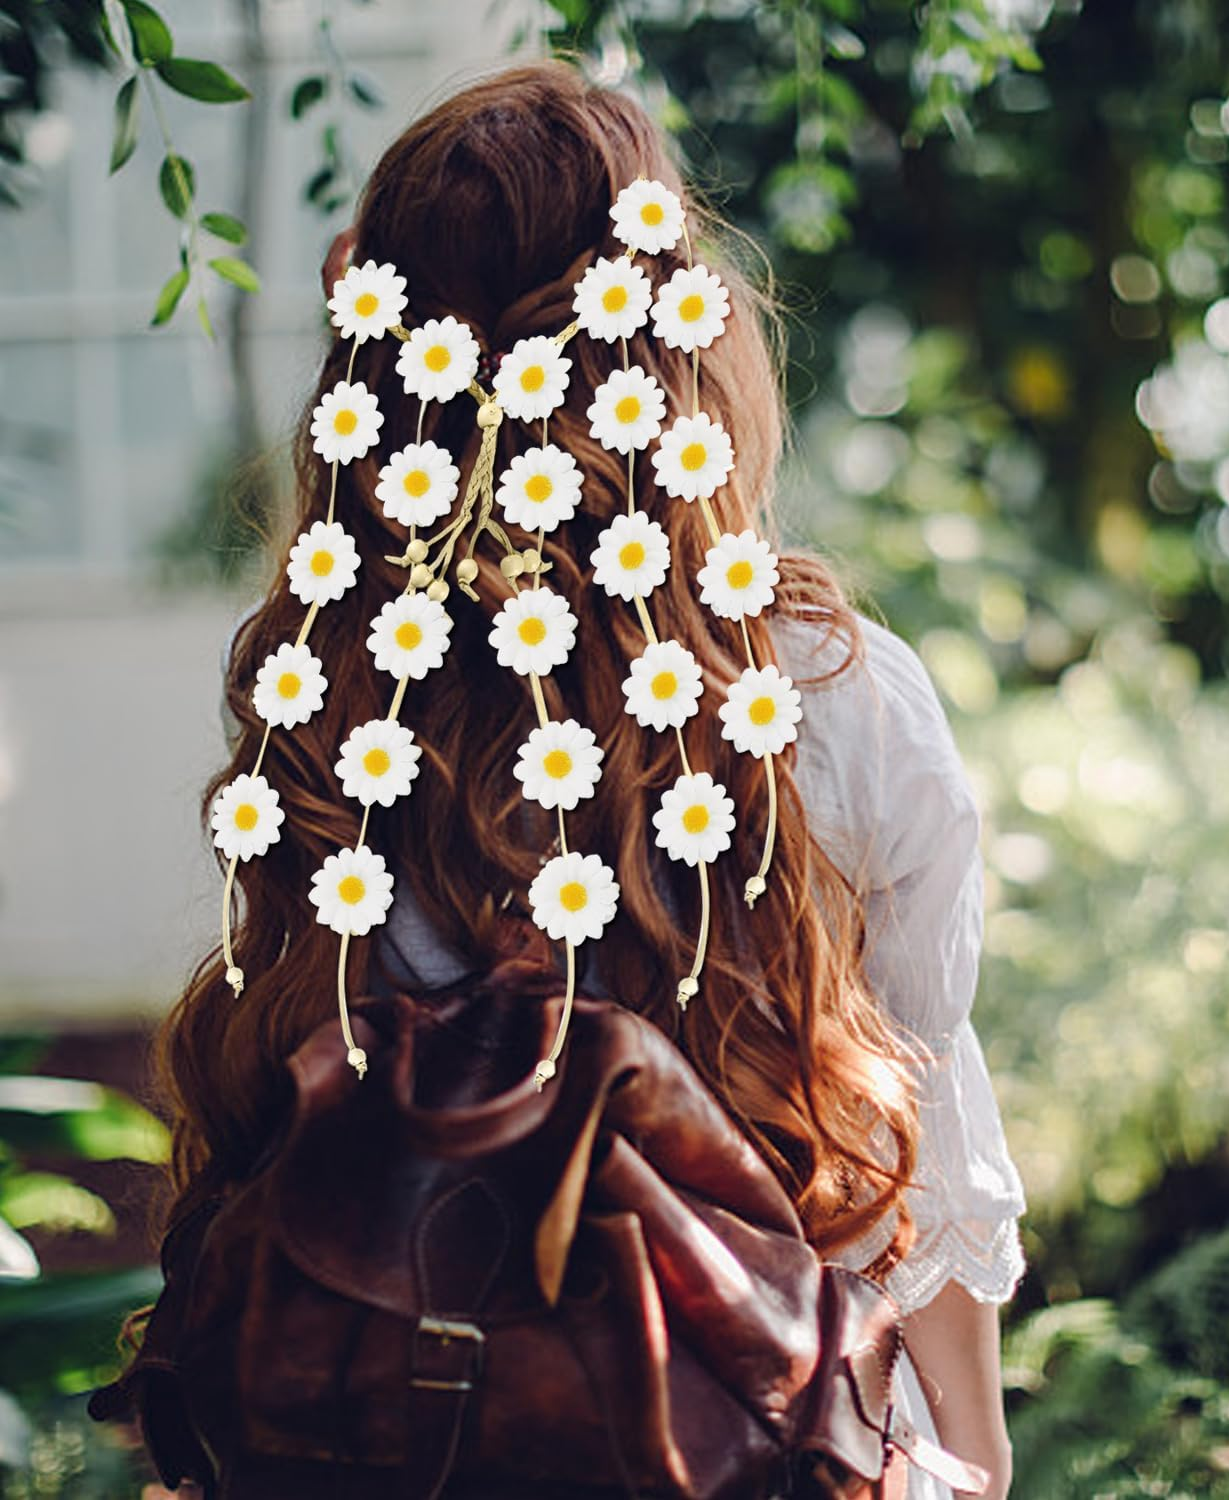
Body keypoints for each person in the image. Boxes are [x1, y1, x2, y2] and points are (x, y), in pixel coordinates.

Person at [153, 58, 1028, 1498]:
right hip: (745, 1445)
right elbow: (920, 1153)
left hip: (395, 1443)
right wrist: (973, 1463)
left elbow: (292, 1138)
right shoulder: (833, 696)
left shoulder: (334, 703)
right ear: (679, 342)